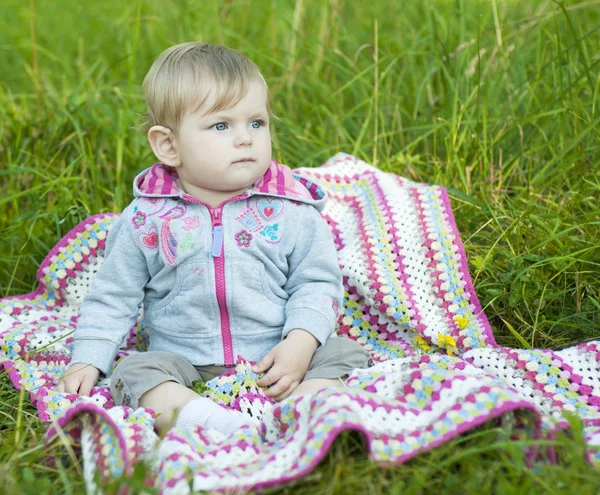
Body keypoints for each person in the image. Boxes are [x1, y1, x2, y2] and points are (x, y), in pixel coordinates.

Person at [57, 42, 370, 435]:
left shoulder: (292, 211)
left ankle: (303, 410)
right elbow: (114, 296)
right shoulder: (145, 219)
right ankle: (209, 423)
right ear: (169, 145)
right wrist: (87, 359)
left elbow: (317, 283)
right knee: (132, 371)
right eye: (221, 125)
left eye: (256, 123)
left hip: (278, 356)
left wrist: (301, 343)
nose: (245, 139)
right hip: (182, 361)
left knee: (345, 352)